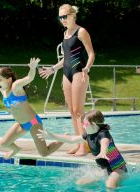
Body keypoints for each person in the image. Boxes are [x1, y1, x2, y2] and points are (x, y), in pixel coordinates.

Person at [0, 58, 63, 159]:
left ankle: (63, 138)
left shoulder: (15, 87)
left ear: (9, 79)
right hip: (21, 124)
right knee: (4, 143)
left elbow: (29, 78)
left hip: (33, 123)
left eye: (0, 80)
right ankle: (16, 149)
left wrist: (32, 69)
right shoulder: (2, 89)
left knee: (44, 153)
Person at [39, 4, 95, 156]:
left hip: (79, 72)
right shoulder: (65, 34)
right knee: (71, 111)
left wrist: (87, 68)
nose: (62, 20)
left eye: (64, 16)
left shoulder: (81, 31)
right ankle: (78, 144)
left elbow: (91, 54)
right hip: (66, 72)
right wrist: (52, 69)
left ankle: (84, 146)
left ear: (73, 15)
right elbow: (66, 58)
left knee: (78, 111)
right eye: (60, 17)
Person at [37, 110, 127, 189]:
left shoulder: (103, 134)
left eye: (85, 123)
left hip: (118, 168)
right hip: (104, 169)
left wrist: (103, 152)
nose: (83, 126)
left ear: (93, 124)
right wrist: (51, 136)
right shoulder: (88, 135)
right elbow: (72, 139)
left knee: (109, 185)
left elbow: (105, 143)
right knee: (81, 183)